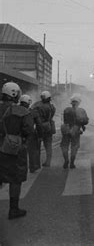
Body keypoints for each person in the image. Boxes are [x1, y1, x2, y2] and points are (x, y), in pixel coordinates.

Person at [0, 82, 35, 219]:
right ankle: (13, 210)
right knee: (15, 179)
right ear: (14, 94)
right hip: (13, 149)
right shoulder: (21, 111)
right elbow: (29, 130)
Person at [60, 94, 89, 169]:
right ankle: (72, 163)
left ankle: (66, 160)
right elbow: (85, 121)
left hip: (66, 129)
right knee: (74, 147)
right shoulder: (81, 110)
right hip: (75, 130)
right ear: (79, 103)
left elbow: (64, 120)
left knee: (64, 146)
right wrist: (82, 122)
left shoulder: (66, 110)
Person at [19, 95, 43, 173]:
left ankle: (20, 169)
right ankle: (33, 167)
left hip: (17, 135)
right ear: (29, 103)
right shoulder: (32, 112)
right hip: (30, 134)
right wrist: (40, 136)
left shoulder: (15, 110)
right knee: (32, 152)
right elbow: (39, 125)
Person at [32, 91, 56, 167]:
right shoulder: (52, 106)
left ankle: (36, 164)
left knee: (36, 146)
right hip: (48, 126)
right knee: (48, 146)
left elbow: (32, 113)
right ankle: (48, 162)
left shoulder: (37, 105)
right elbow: (52, 116)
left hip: (39, 126)